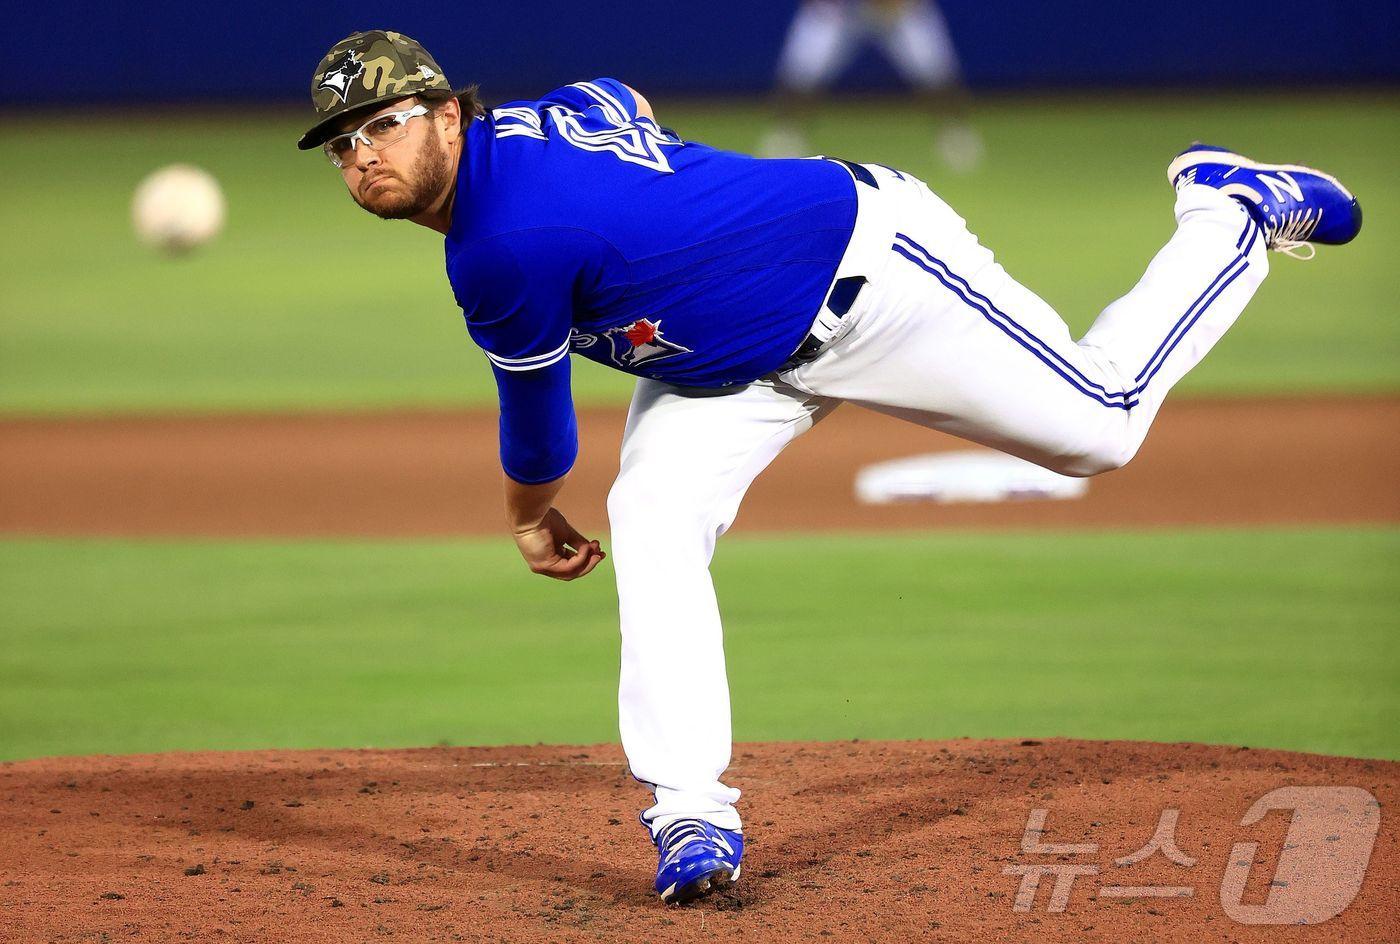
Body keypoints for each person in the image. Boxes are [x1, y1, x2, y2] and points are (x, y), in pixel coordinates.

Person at [298, 30, 1361, 905]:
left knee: (1102, 426)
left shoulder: (496, 243)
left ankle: (1225, 208)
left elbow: (539, 440)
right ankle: (689, 817)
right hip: (725, 367)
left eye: (381, 124)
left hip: (875, 276)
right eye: (341, 144)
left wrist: (528, 517)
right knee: (653, 513)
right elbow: (611, 92)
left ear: (447, 113)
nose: (362, 157)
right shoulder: (538, 125)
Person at [760, 0, 983, 170]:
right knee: (803, 69)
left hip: (898, 7)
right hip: (838, 7)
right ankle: (785, 135)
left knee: (933, 68)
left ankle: (955, 134)